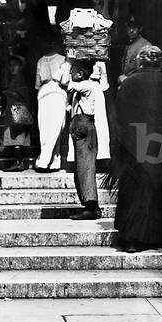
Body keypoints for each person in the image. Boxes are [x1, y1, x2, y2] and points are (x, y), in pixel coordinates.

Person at [113, 45, 162, 253]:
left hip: (134, 144)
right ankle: (153, 235)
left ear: (139, 61)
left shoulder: (128, 84)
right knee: (157, 189)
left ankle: (131, 237)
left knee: (134, 192)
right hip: (161, 145)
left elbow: (119, 117)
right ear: (159, 62)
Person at [67, 58, 107, 219]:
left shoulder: (87, 85)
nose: (70, 73)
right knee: (81, 167)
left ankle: (91, 206)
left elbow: (68, 84)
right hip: (81, 124)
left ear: (81, 73)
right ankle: (89, 204)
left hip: (84, 124)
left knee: (85, 167)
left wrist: (66, 64)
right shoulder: (85, 88)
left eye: (73, 71)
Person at [34, 32, 70, 172]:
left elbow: (37, 84)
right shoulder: (63, 60)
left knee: (48, 126)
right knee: (54, 126)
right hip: (55, 90)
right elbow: (65, 80)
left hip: (45, 91)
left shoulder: (41, 61)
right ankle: (49, 160)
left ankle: (51, 160)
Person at [3, 54, 34, 172]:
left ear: (20, 67)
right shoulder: (14, 79)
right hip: (12, 111)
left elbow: (22, 96)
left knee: (17, 138)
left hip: (18, 112)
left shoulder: (19, 79)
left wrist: (9, 93)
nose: (12, 68)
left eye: (15, 65)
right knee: (15, 138)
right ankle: (18, 162)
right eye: (10, 65)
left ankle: (19, 162)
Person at [119, 15, 152, 82]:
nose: (131, 30)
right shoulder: (128, 44)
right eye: (129, 27)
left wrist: (128, 79)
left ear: (140, 29)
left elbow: (147, 72)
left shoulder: (146, 46)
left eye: (134, 28)